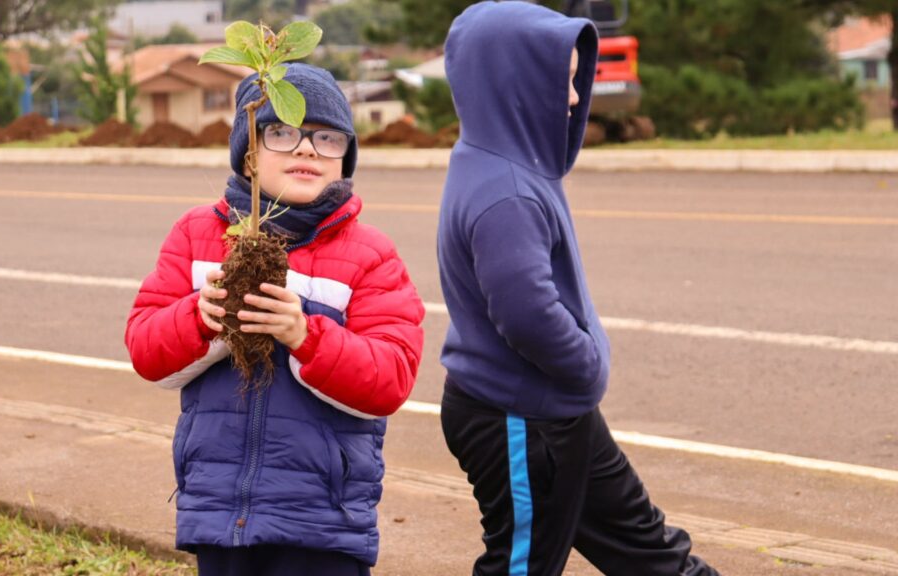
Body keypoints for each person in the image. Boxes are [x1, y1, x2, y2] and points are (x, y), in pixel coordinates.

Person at [436, 3, 719, 575]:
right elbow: (526, 312)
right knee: (521, 568)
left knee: (649, 552)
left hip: (553, 410)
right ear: (515, 83)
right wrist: (586, 366)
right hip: (515, 414)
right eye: (561, 81)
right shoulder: (505, 192)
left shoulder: (495, 162)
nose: (572, 98)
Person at [126, 63, 425, 576]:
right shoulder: (198, 234)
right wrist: (201, 318)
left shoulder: (369, 254)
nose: (308, 148)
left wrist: (306, 336)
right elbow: (146, 351)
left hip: (322, 520)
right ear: (248, 152)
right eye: (282, 132)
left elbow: (391, 377)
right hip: (219, 508)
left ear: (345, 158)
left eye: (328, 138)